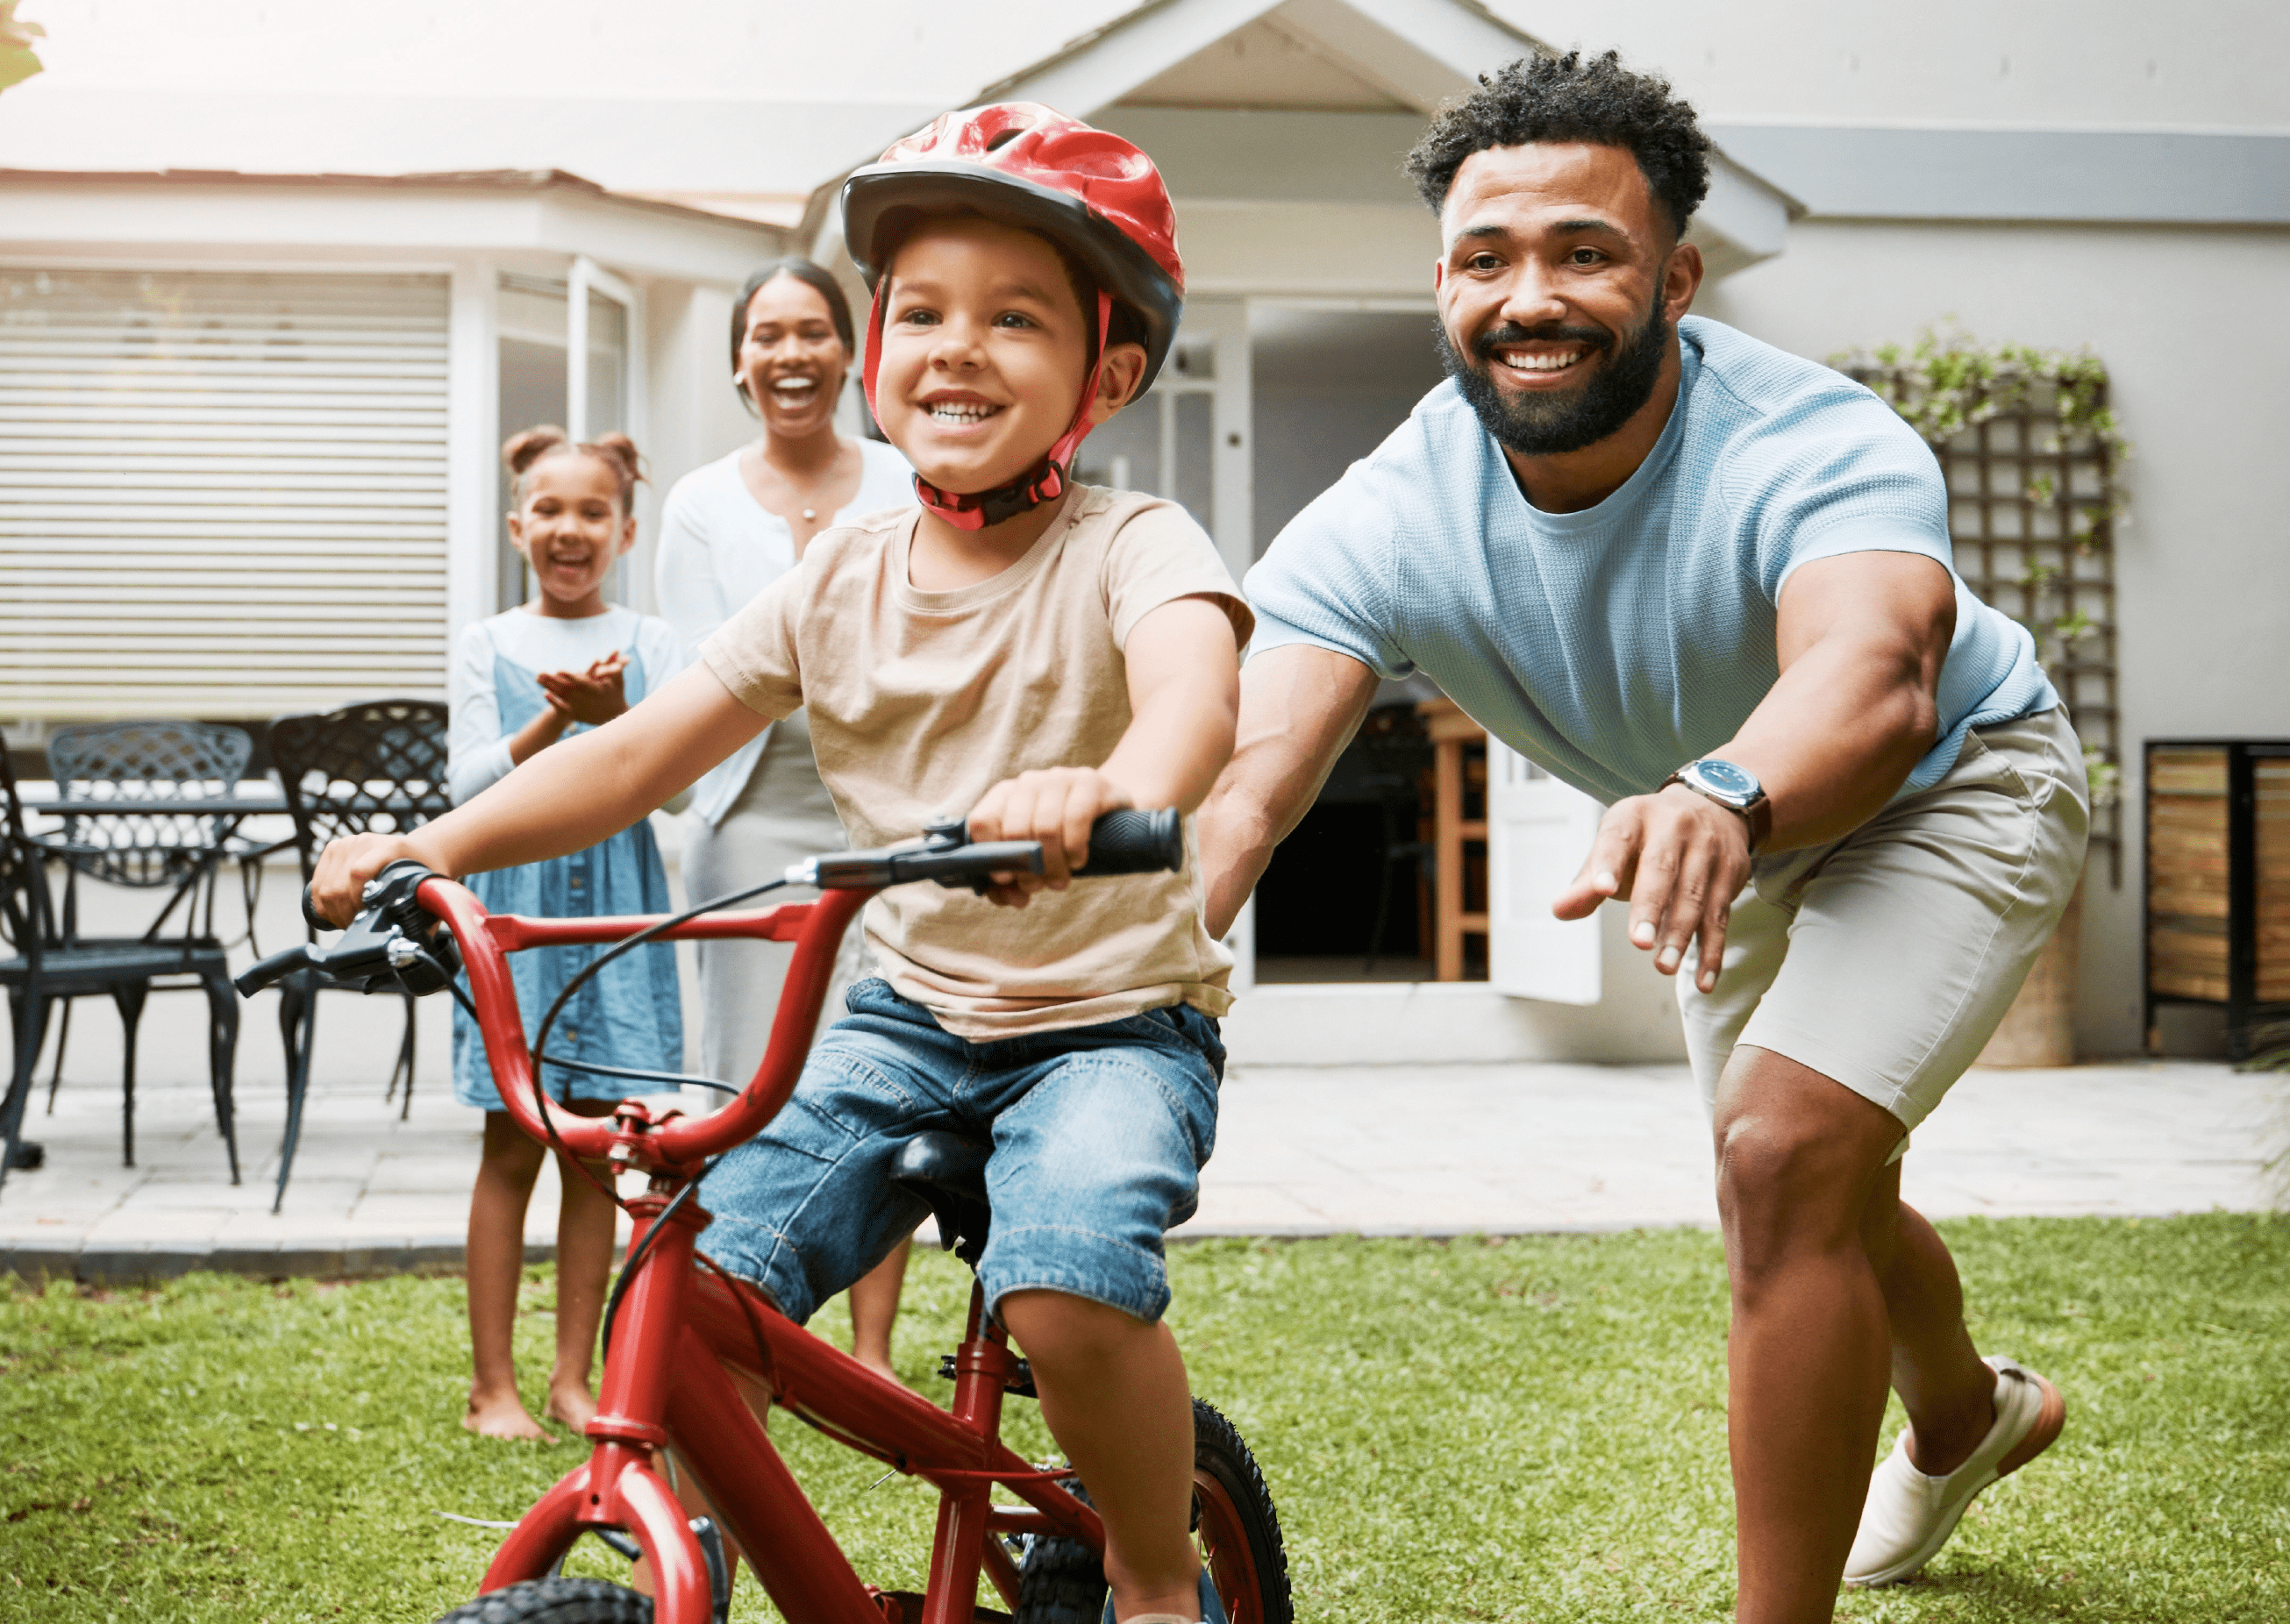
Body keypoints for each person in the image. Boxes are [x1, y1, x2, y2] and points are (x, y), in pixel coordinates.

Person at [314, 103, 1249, 1624]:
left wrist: (1111, 784)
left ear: (1109, 373)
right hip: (907, 1016)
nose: (956, 345)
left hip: (1110, 1020)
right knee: (691, 1288)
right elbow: (636, 753)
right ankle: (712, 1572)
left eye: (1015, 318)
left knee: (1067, 1275)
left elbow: (1194, 693)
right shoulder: (840, 577)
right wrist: (437, 841)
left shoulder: (1129, 542)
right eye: (924, 311)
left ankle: (1149, 1577)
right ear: (878, 353)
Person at [1197, 52, 2083, 1624]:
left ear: (1674, 275)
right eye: (1486, 260)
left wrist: (1725, 791)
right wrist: (1172, 908)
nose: (1528, 297)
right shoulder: (1396, 505)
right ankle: (1965, 1416)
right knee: (1811, 1182)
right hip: (1720, 830)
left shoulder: (1812, 441)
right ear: (1444, 283)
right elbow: (1255, 764)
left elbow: (1871, 675)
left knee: (1782, 1153)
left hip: (1952, 785)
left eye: (1582, 253)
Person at [654, 258, 917, 1377]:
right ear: (738, 362)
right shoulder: (701, 503)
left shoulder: (909, 479)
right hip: (748, 812)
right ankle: (741, 1317)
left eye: (812, 331)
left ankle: (866, 1346)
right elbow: (701, 672)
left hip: (888, 816)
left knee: (885, 1062)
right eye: (768, 335)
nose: (790, 354)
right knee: (744, 1076)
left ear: (848, 354)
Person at [446, 427, 687, 1441]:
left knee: (601, 1154)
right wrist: (555, 723)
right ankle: (491, 1385)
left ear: (625, 530)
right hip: (522, 923)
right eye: (548, 509)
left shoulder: (656, 643)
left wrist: (621, 712)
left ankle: (571, 1381)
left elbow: (677, 787)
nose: (568, 528)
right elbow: (461, 789)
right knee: (513, 1145)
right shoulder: (487, 644)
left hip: (616, 923)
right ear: (516, 527)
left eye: (592, 511)